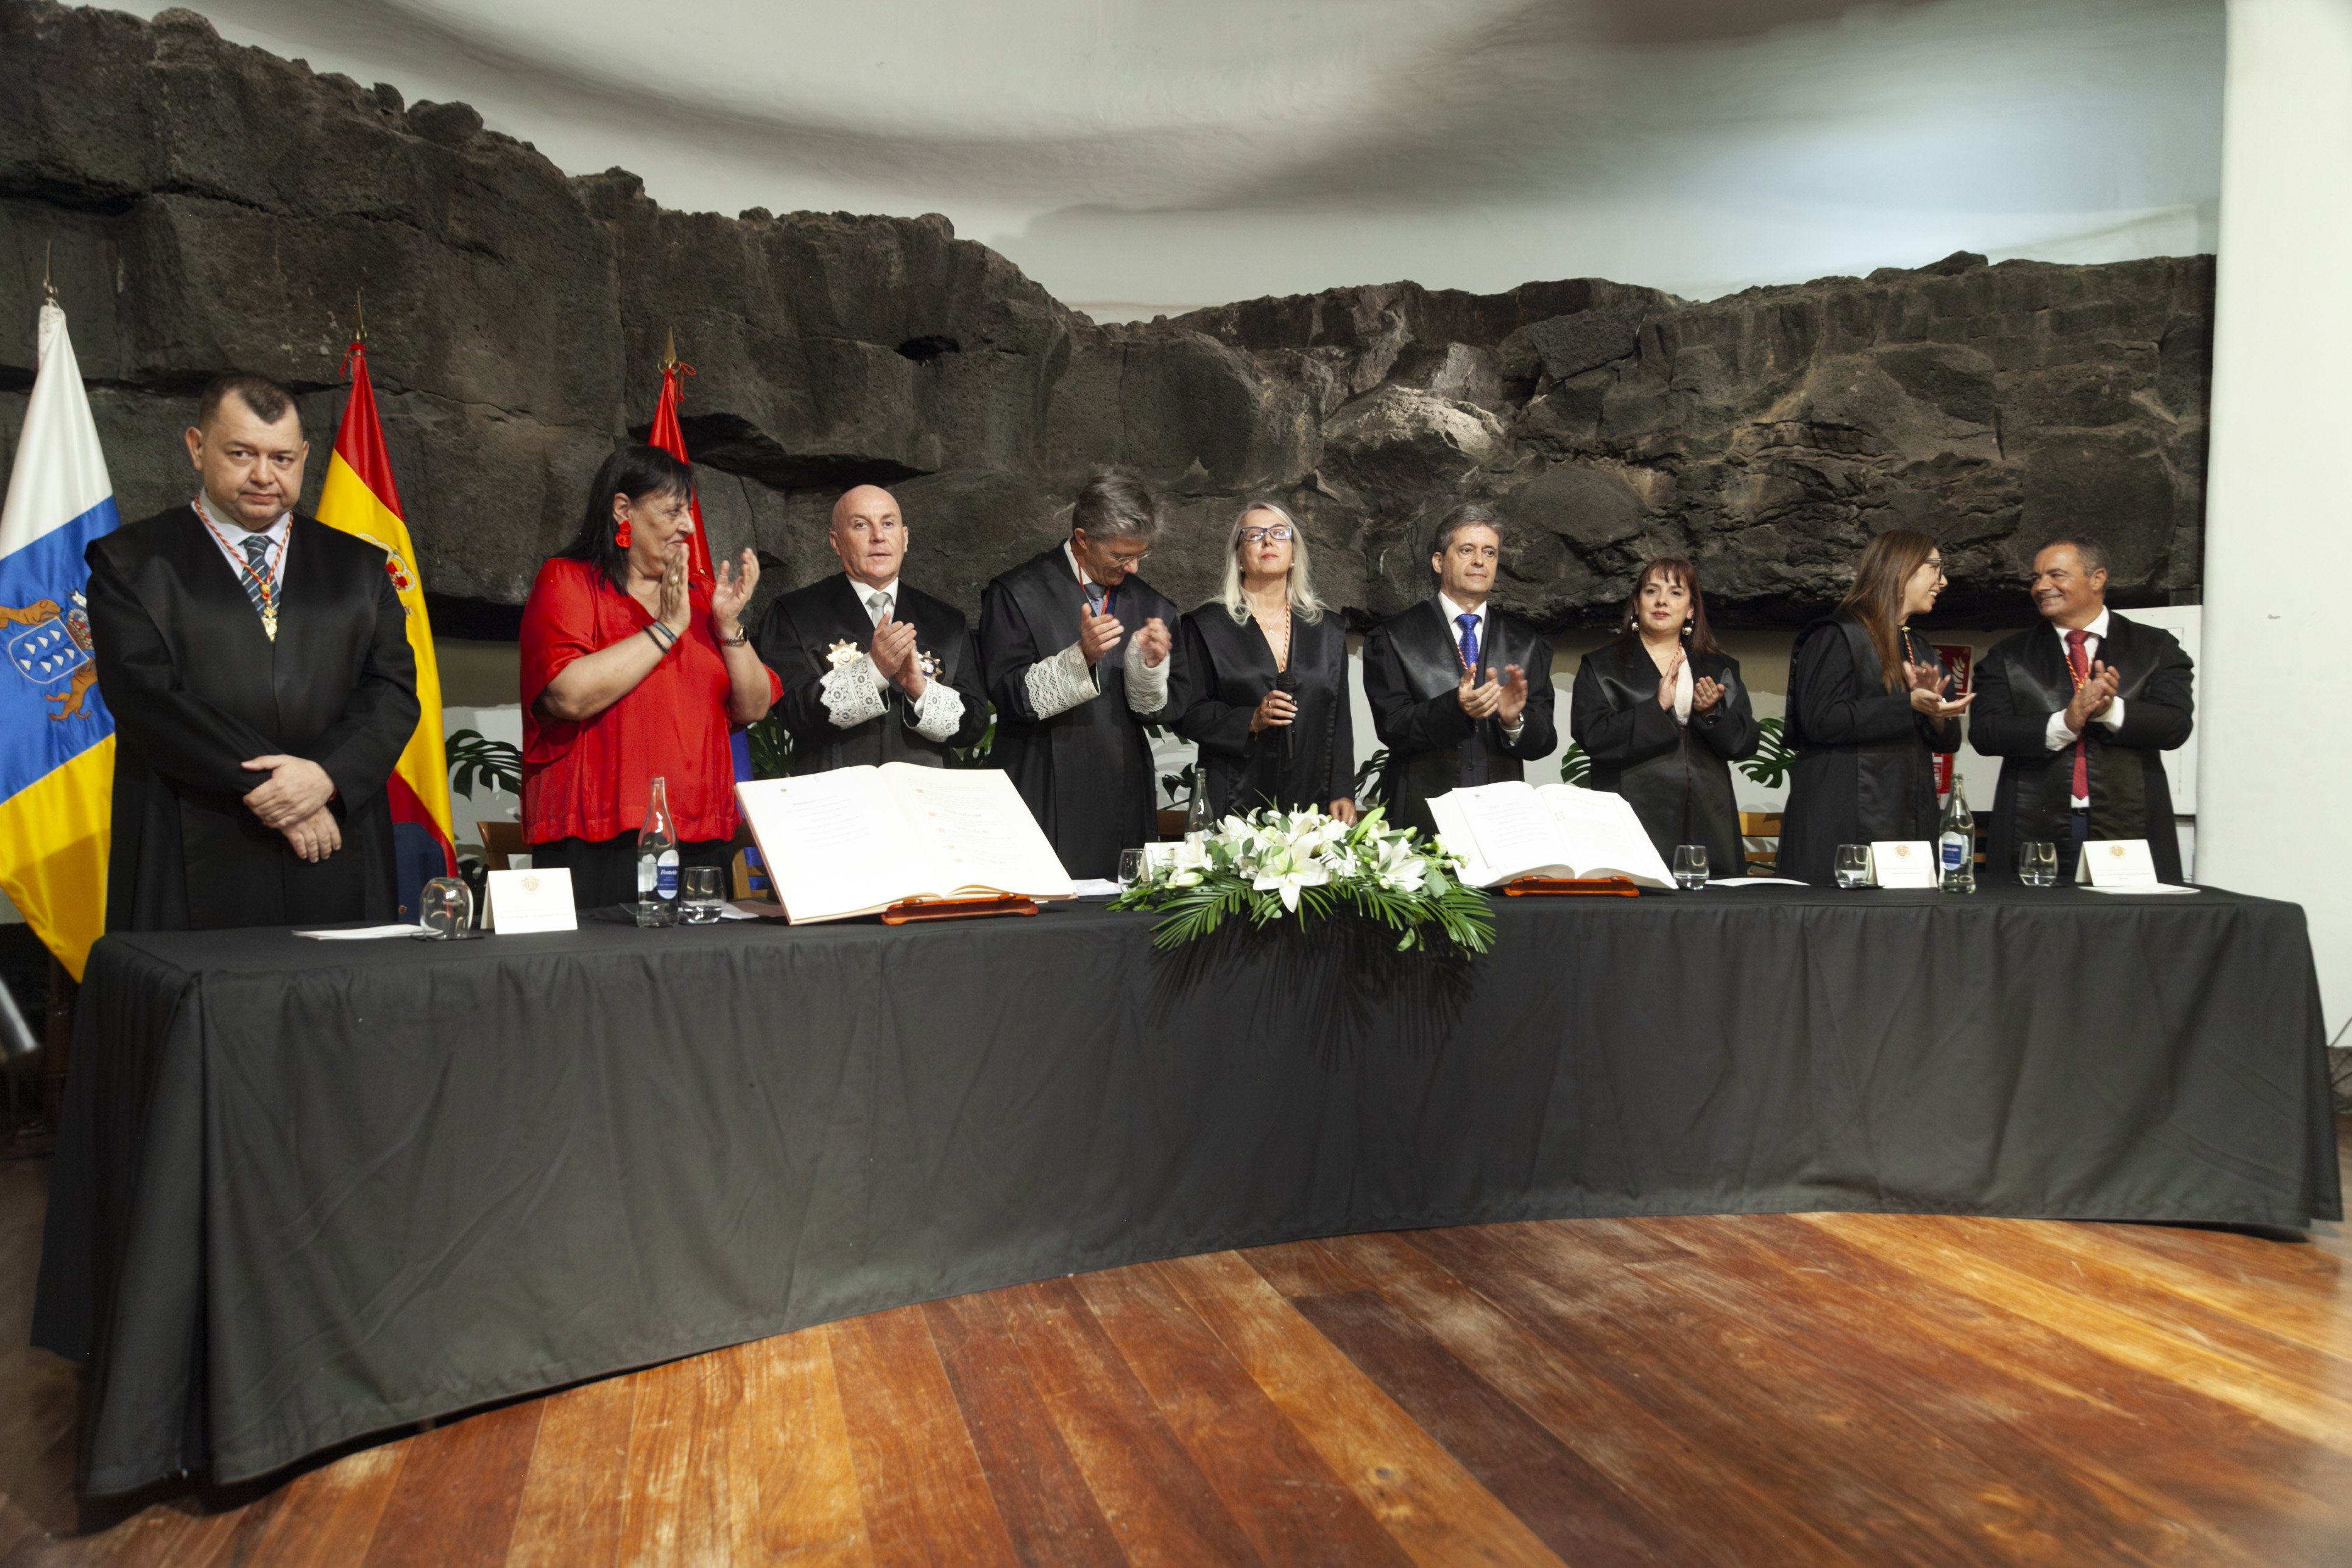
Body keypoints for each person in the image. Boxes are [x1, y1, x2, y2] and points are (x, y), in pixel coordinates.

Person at [85, 372, 422, 930]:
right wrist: (279, 792)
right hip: (191, 829)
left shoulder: (360, 567)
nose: (264, 476)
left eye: (282, 459)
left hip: (336, 830)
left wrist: (325, 777)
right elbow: (146, 697)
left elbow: (392, 689)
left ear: (304, 456)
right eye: (241, 454)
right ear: (197, 447)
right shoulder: (133, 562)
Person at [520, 445, 776, 908]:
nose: (689, 527)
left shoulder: (704, 595)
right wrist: (667, 628)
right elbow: (568, 696)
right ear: (623, 510)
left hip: (699, 833)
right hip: (600, 836)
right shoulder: (569, 580)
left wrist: (727, 626)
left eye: (689, 512)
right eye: (672, 511)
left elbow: (754, 707)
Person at [979, 467, 1178, 878]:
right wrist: (1081, 657)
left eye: (1139, 555)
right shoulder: (1017, 592)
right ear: (1083, 539)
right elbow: (1007, 693)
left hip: (1122, 785)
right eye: (1120, 556)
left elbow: (1162, 710)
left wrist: (1150, 668)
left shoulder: (1152, 605)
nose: (1133, 568)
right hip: (1039, 776)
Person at [1969, 538, 2194, 881]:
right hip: (2033, 821)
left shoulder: (2156, 647)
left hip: (2129, 820)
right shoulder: (2008, 655)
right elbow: (1986, 733)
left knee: (2129, 917)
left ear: (2097, 578)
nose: (2041, 586)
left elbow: (2175, 726)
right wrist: (2065, 722)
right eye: (2036, 578)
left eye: (2056, 575)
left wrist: (2110, 712)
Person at [1777, 530, 1973, 885]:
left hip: (1908, 813)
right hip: (1843, 815)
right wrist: (1907, 704)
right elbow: (1820, 720)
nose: (1944, 581)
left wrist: (1937, 715)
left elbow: (1947, 741)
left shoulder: (1919, 646)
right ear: (1901, 570)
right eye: (1936, 567)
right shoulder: (1836, 635)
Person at [756, 484, 989, 772]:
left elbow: (975, 724)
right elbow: (791, 712)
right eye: (861, 525)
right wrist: (872, 671)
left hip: (921, 794)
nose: (878, 536)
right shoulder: (795, 613)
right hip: (835, 791)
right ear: (836, 542)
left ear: (905, 538)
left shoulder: (947, 622)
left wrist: (922, 693)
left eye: (888, 523)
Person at [1361, 501, 1555, 837]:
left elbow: (1544, 742)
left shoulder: (1526, 643)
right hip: (1420, 817)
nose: (1480, 561)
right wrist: (1456, 708)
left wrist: (1514, 722)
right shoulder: (1394, 637)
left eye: (1490, 553)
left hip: (1502, 824)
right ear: (1439, 561)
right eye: (1467, 550)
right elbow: (1392, 726)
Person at [1571, 557, 1757, 876]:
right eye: (1652, 591)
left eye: (1675, 593)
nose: (1662, 601)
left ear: (1691, 610)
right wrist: (1655, 707)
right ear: (1636, 603)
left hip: (1708, 819)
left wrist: (1711, 713)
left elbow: (1744, 742)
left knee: (1713, 905)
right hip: (1634, 813)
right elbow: (1592, 735)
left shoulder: (1719, 668)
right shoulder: (1602, 666)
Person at [1175, 501, 1356, 823]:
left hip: (1311, 795)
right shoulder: (1207, 626)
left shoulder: (1327, 628)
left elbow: (1338, 716)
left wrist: (1342, 789)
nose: (1268, 540)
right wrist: (1250, 720)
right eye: (1254, 534)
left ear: (1294, 555)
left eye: (1280, 533)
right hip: (1234, 792)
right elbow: (1188, 712)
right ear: (1238, 558)